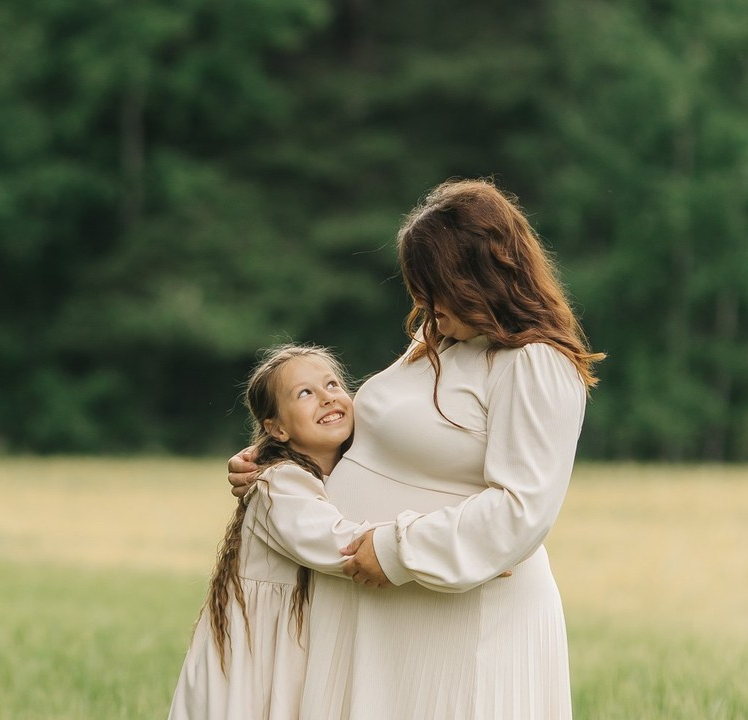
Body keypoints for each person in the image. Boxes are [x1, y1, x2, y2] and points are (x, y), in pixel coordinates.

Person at [228, 179, 603, 720]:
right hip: (388, 613)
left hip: (461, 623)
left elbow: (522, 511)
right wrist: (279, 458)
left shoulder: (535, 364)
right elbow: (386, 437)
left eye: (434, 285)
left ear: (481, 278)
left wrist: (397, 549)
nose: (422, 303)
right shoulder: (439, 340)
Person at [168, 344, 383, 720]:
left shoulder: (348, 472)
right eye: (305, 393)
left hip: (292, 640)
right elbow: (336, 543)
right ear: (276, 428)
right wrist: (424, 542)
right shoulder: (278, 484)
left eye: (332, 384)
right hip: (261, 648)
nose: (326, 397)